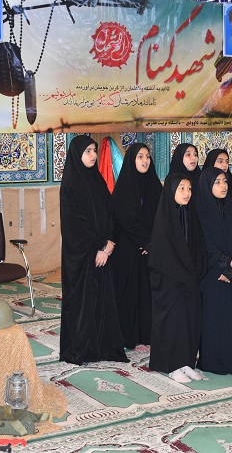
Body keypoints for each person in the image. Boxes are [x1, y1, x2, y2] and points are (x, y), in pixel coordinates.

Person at [59, 135, 128, 365]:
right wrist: (99, 245)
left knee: (102, 301)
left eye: (94, 151)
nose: (93, 155)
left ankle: (103, 347)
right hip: (81, 256)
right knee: (83, 304)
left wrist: (108, 244)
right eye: (87, 151)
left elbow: (110, 213)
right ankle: (81, 350)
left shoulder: (97, 181)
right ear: (77, 154)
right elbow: (74, 224)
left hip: (102, 253)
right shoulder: (70, 185)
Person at [148, 174, 207, 383]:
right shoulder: (165, 217)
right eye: (181, 188)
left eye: (189, 189)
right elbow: (163, 256)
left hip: (189, 280)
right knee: (172, 322)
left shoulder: (190, 214)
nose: (187, 193)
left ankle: (186, 361)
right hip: (170, 281)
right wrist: (183, 274)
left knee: (189, 321)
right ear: (171, 191)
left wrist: (196, 271)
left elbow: (199, 248)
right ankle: (171, 365)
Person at [195, 168, 232, 375]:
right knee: (215, 316)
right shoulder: (200, 211)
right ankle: (215, 360)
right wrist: (224, 264)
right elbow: (204, 244)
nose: (223, 186)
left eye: (224, 181)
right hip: (212, 273)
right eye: (217, 182)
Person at [111, 143, 163, 349]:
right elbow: (125, 219)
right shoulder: (123, 188)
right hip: (129, 250)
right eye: (140, 157)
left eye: (148, 157)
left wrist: (153, 242)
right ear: (131, 160)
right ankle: (130, 336)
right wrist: (145, 241)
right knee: (131, 293)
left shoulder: (154, 186)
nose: (145, 161)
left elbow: (162, 216)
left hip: (151, 249)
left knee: (149, 292)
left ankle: (148, 334)